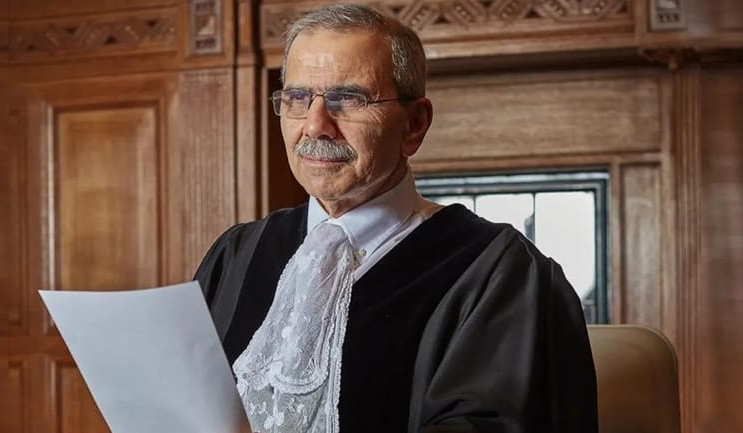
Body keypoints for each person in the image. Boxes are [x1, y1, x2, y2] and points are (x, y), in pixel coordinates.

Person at [194, 4, 598, 433]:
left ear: (414, 124)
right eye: (297, 98)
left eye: (347, 99)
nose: (315, 126)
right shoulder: (236, 255)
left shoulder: (499, 273)